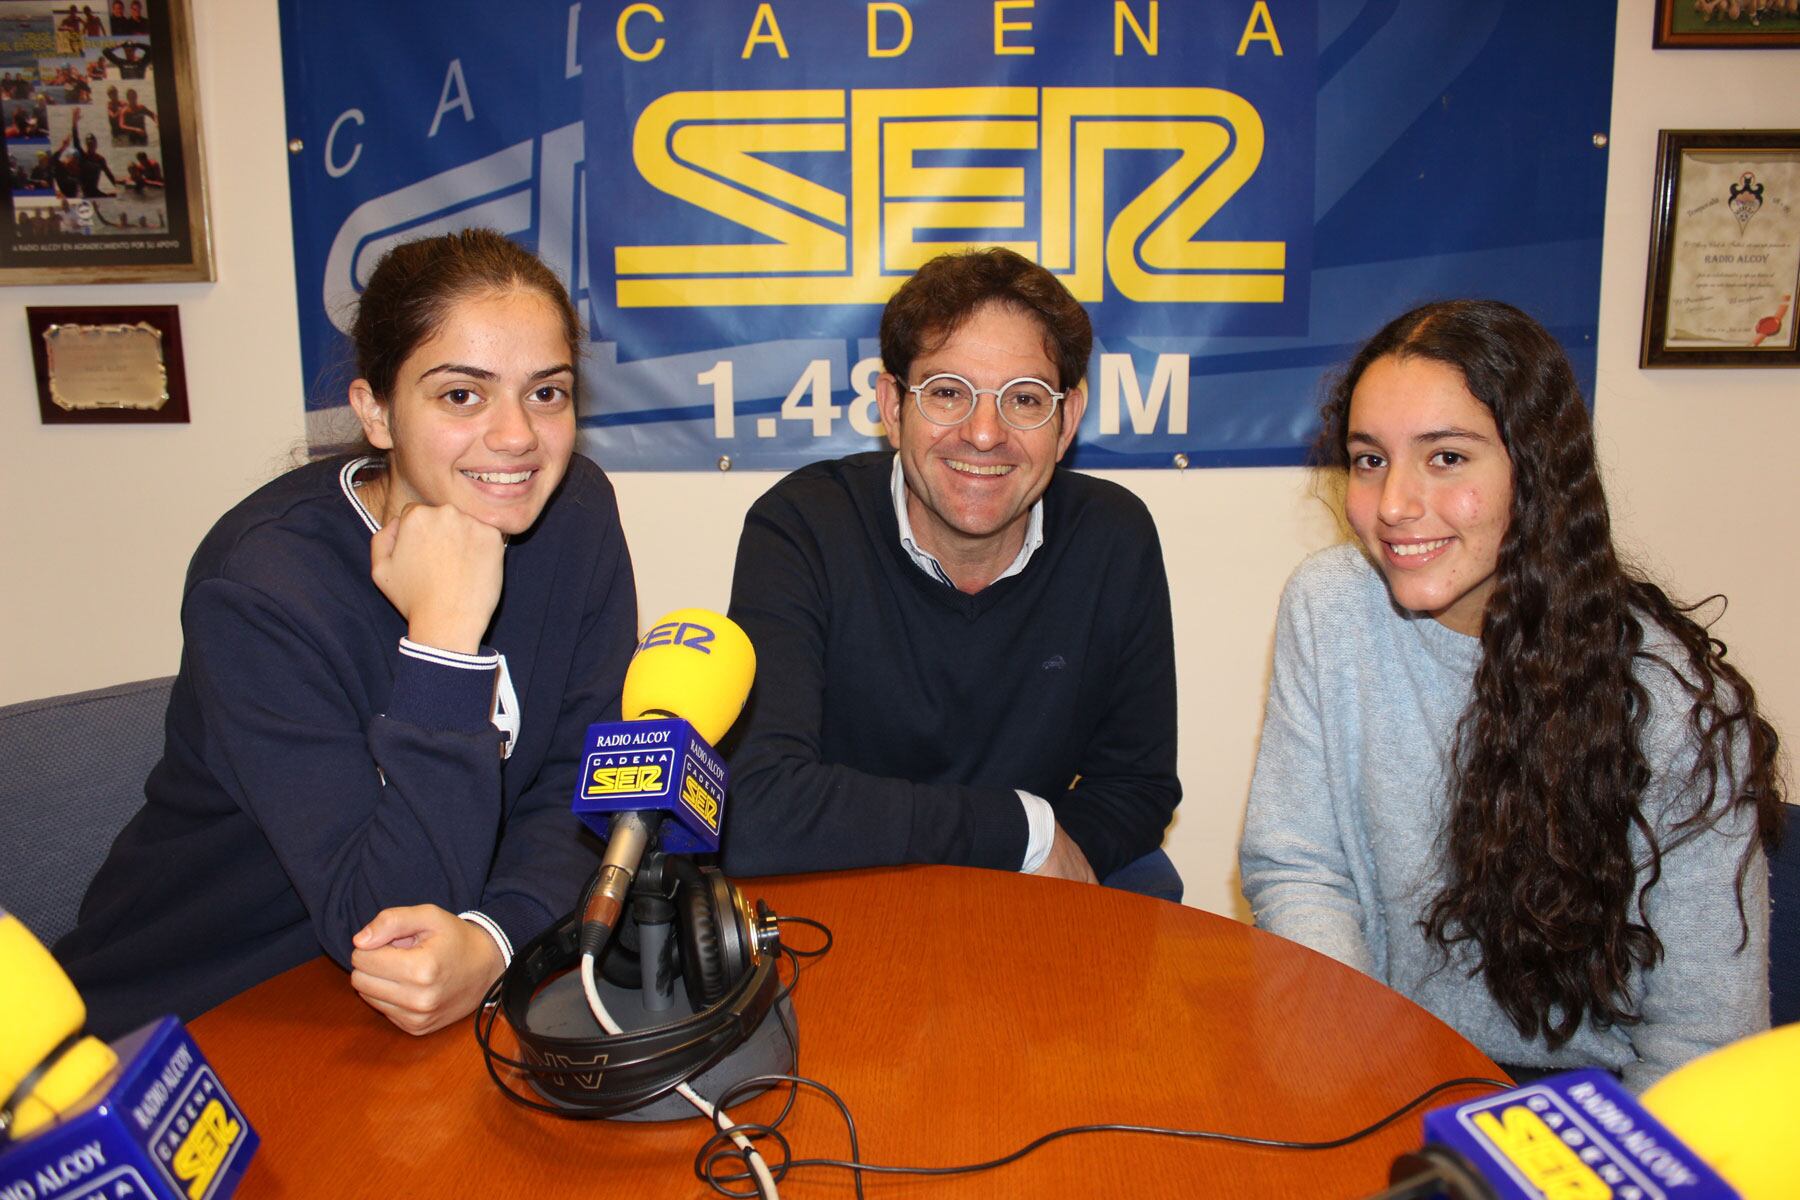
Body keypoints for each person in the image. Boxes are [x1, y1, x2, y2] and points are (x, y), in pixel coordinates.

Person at [56, 229, 638, 1039]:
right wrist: (444, 642)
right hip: (202, 1011)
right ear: (376, 411)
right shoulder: (262, 586)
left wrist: (497, 937)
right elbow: (384, 917)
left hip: (417, 1001)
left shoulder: (575, 513)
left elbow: (585, 776)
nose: (517, 436)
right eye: (461, 395)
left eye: (547, 392)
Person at [1239, 299, 1782, 1092]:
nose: (1394, 505)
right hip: (1382, 1054)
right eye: (1369, 459)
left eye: (1446, 457)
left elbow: (1705, 1040)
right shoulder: (1330, 605)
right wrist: (1354, 1056)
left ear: (1537, 469)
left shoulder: (1671, 706)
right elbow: (1300, 866)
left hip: (1591, 1102)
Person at [722, 247, 1182, 898]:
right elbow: (759, 806)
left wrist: (1035, 860)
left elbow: (1137, 785)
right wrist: (1018, 830)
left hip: (1026, 894)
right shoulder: (802, 527)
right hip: (850, 883)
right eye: (946, 392)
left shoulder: (1113, 537)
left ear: (1067, 421)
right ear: (892, 405)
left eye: (1025, 399)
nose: (984, 433)